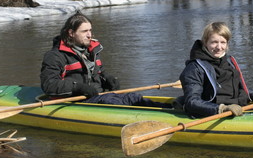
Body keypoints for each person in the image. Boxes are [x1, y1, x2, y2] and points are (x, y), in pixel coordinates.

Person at [40, 13, 168, 108]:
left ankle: (170, 108)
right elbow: (49, 85)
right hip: (76, 101)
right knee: (113, 102)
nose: (89, 35)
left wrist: (107, 79)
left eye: (90, 30)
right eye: (84, 31)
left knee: (133, 97)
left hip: (98, 96)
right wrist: (78, 87)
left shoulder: (92, 50)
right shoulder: (55, 56)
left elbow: (99, 73)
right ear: (71, 33)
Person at [178, 21, 253, 118]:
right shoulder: (194, 69)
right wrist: (221, 109)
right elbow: (192, 102)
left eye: (223, 42)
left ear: (227, 43)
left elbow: (239, 92)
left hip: (238, 108)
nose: (219, 47)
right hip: (213, 114)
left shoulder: (229, 62)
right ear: (205, 42)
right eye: (214, 42)